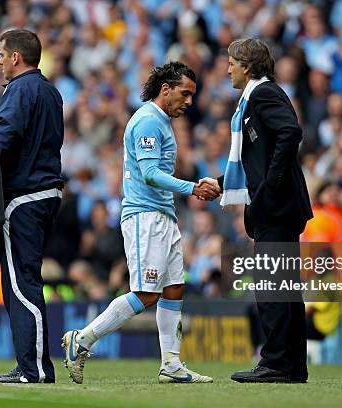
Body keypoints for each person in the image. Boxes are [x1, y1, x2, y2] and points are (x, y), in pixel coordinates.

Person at [61, 61, 218, 384]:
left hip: (162, 215)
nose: (189, 102)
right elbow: (149, 173)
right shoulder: (147, 121)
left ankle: (171, 365)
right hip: (144, 216)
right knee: (146, 293)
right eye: (185, 94)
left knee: (174, 289)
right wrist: (192, 188)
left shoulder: (159, 120)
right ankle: (82, 340)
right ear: (166, 90)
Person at [204, 39, 313, 383]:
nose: (227, 69)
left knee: (272, 287)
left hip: (276, 207)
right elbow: (256, 161)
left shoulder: (264, 94)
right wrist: (223, 182)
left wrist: (270, 186)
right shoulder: (256, 97)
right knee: (284, 288)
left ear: (247, 66)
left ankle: (276, 362)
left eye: (232, 63)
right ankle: (292, 364)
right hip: (277, 206)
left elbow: (290, 132)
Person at [0, 29, 64, 384]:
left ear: (16, 57)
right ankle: (29, 363)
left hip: (25, 196)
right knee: (21, 283)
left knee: (22, 285)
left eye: (2, 55)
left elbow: (2, 137)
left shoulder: (21, 89)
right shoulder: (50, 91)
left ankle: (33, 368)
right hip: (43, 193)